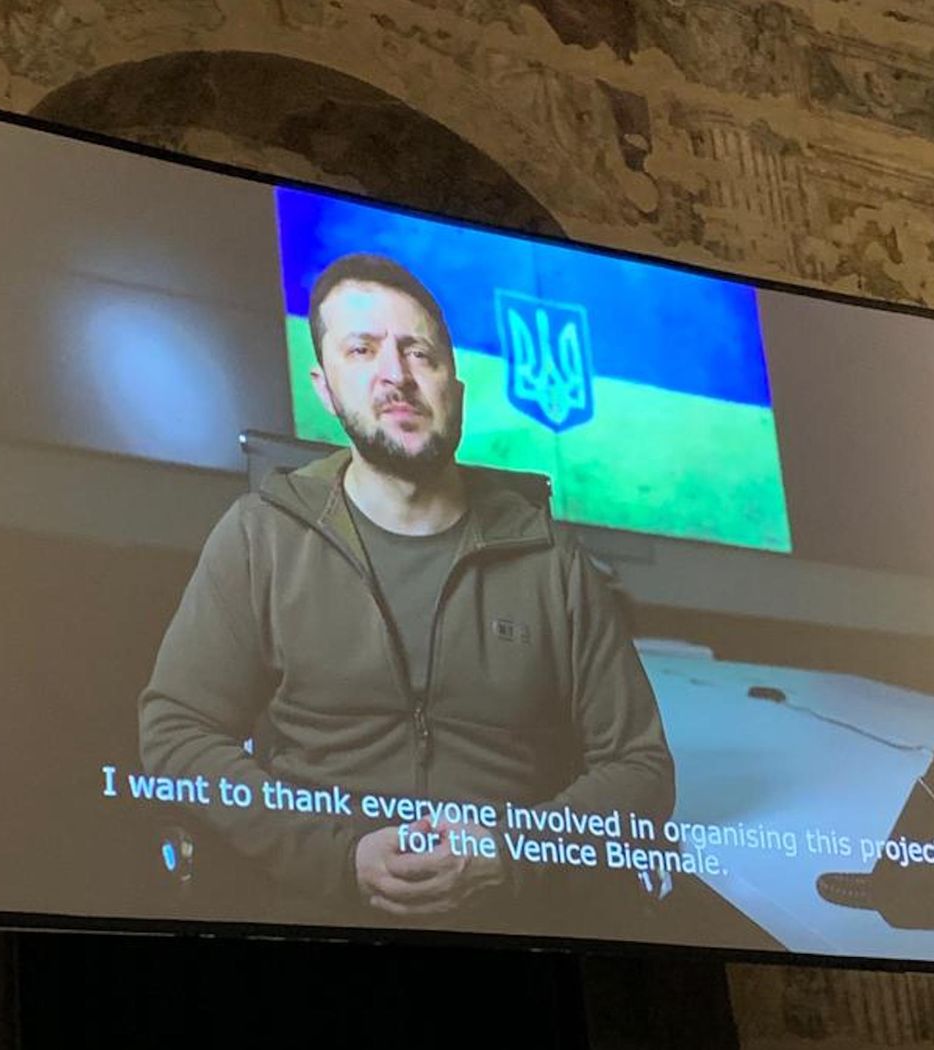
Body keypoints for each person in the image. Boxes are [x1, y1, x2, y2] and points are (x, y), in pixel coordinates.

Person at [139, 253, 675, 936]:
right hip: (309, 918)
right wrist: (336, 858)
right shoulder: (261, 536)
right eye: (362, 350)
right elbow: (176, 732)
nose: (396, 374)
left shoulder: (554, 564)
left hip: (517, 929)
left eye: (418, 351)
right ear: (325, 388)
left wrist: (511, 853)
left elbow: (641, 768)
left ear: (455, 387)